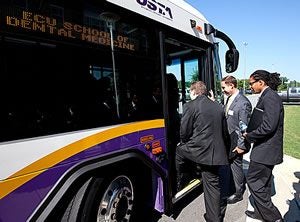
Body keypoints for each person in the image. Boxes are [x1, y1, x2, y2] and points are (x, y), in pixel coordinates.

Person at [176, 81, 230, 222]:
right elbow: (225, 133)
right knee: (212, 184)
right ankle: (214, 217)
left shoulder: (190, 106)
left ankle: (179, 180)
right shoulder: (218, 107)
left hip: (199, 151)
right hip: (216, 154)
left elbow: (184, 132)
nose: (189, 94)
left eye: (189, 91)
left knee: (179, 150)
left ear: (194, 91)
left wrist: (185, 143)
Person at [243, 70, 284, 222]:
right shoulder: (267, 96)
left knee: (253, 181)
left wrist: (250, 135)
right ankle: (261, 214)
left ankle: (274, 218)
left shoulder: (271, 97)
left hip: (266, 150)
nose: (250, 86)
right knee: (263, 184)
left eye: (251, 83)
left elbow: (269, 126)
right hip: (265, 149)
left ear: (261, 82)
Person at [221, 75, 252, 204]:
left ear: (231, 85)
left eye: (223, 87)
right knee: (232, 165)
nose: (222, 90)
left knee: (236, 165)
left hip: (236, 140)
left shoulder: (243, 103)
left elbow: (243, 127)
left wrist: (241, 146)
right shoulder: (230, 99)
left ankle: (238, 193)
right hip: (229, 138)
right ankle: (234, 186)